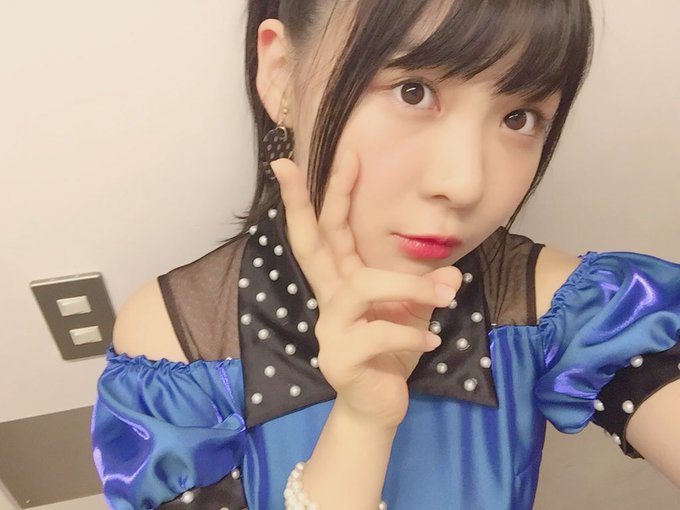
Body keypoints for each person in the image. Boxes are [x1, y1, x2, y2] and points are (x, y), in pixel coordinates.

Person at [90, 1, 680, 509]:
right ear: (281, 73)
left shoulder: (564, 305)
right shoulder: (178, 345)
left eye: (518, 117)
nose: (466, 182)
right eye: (413, 91)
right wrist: (362, 423)